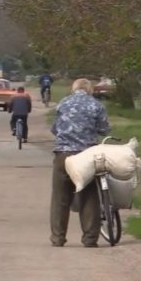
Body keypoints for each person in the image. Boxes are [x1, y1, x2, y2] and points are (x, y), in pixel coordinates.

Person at [50, 78, 110, 248]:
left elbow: (54, 129)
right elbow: (105, 129)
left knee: (60, 198)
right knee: (88, 195)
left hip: (63, 154)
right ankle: (90, 239)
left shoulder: (63, 103)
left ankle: (58, 238)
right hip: (86, 156)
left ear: (73, 88)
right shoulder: (96, 105)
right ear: (90, 90)